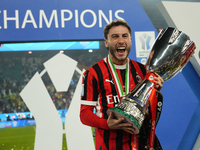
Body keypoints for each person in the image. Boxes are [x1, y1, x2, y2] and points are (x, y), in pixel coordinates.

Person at [80, 20, 164, 150]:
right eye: (115, 36)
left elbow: (149, 111)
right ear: (106, 43)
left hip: (140, 145)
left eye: (124, 36)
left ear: (130, 40)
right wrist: (107, 124)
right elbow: (84, 114)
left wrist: (156, 92)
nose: (120, 40)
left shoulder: (143, 71)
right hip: (109, 145)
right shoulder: (93, 73)